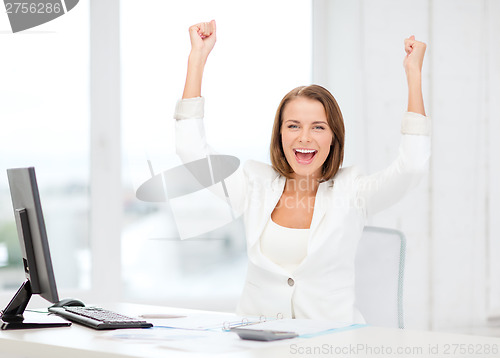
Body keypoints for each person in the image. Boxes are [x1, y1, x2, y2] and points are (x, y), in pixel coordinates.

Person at [174, 20, 430, 323]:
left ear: (333, 137)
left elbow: (412, 166)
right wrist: (197, 59)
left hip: (331, 345)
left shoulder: (354, 192)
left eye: (318, 127)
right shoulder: (254, 185)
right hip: (258, 342)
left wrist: (414, 74)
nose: (304, 138)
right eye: (293, 125)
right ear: (279, 134)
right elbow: (191, 151)